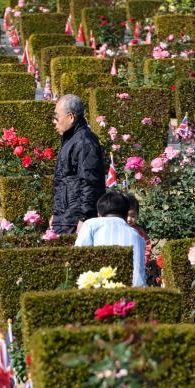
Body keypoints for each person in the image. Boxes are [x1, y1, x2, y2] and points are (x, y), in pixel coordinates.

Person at [50, 94, 106, 234]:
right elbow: (63, 182)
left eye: (56, 117)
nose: (54, 122)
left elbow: (90, 182)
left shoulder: (84, 141)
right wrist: (56, 215)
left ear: (70, 117)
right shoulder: (71, 140)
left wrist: (84, 218)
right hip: (65, 217)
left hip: (75, 220)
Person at [75, 191, 147, 287]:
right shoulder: (137, 236)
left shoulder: (90, 224)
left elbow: (78, 258)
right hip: (133, 292)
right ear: (126, 214)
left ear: (99, 213)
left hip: (99, 289)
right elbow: (139, 276)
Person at [126, 193, 151, 265]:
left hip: (137, 261)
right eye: (126, 215)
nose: (129, 219)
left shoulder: (139, 231)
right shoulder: (119, 229)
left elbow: (147, 245)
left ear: (137, 215)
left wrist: (145, 259)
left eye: (133, 216)